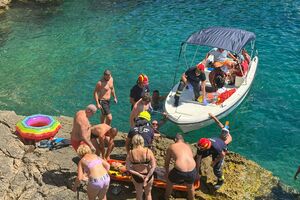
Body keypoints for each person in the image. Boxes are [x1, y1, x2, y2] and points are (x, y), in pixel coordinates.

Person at [195, 124, 232, 190]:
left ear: (207, 147)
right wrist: (197, 172)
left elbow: (222, 154)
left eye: (202, 149)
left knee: (216, 169)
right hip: (211, 148)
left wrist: (214, 162)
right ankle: (198, 171)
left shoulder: (217, 147)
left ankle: (221, 180)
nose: (201, 150)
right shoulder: (201, 145)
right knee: (195, 158)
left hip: (220, 151)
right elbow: (198, 158)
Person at [165, 134, 197, 200]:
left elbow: (167, 162)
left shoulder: (171, 147)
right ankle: (192, 198)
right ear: (183, 140)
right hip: (192, 170)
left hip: (180, 171)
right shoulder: (188, 146)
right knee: (190, 186)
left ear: (175, 140)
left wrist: (167, 173)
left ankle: (166, 197)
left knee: (169, 182)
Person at [126, 134, 156, 200]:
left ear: (133, 142)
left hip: (137, 176)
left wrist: (139, 175)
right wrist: (147, 178)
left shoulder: (131, 153)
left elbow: (128, 168)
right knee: (148, 193)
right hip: (148, 174)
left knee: (139, 194)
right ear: (142, 141)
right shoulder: (148, 151)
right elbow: (153, 166)